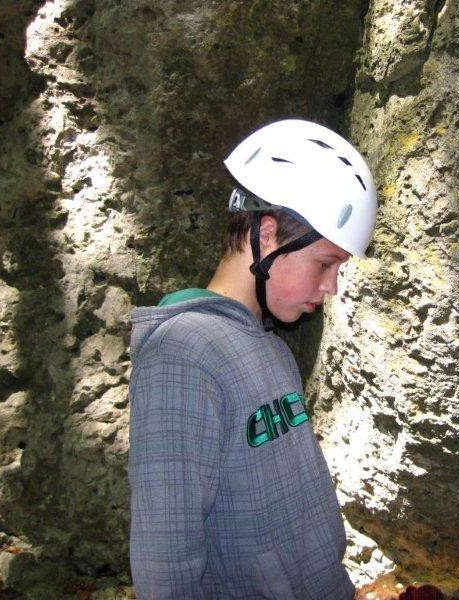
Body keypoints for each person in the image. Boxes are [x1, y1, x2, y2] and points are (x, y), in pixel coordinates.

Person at [128, 119, 378, 598]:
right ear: (266, 236)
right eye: (325, 264)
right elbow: (166, 570)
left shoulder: (271, 349)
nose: (331, 287)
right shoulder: (182, 357)